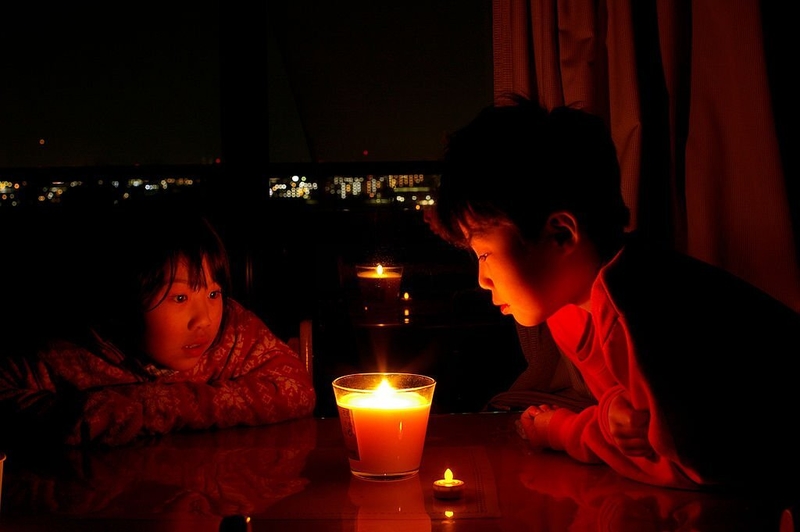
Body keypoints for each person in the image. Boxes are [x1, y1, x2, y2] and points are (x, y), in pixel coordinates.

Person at [428, 94, 800, 493]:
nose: (482, 278)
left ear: (561, 233)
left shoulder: (641, 303)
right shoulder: (572, 308)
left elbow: (693, 465)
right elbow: (637, 418)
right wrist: (613, 418)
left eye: (483, 252)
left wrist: (567, 430)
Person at [0, 196, 316, 448]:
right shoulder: (73, 354)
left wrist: (162, 405)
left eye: (213, 293)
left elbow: (295, 389)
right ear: (125, 300)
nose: (204, 320)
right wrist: (102, 411)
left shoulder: (233, 333)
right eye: (179, 298)